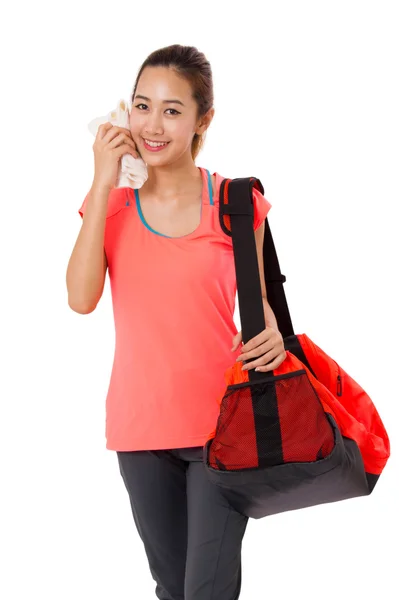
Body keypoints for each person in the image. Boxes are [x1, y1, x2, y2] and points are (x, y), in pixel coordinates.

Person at [67, 44, 285, 600]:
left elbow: (258, 316)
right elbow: (80, 298)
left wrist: (272, 338)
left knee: (207, 590)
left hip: (223, 429)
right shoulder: (111, 206)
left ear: (201, 120)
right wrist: (102, 179)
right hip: (140, 432)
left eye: (171, 110)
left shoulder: (237, 204)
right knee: (172, 586)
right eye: (142, 106)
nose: (152, 125)